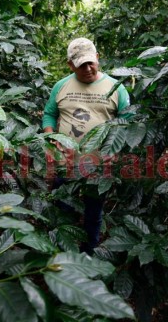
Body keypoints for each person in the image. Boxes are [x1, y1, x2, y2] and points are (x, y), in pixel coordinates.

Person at [42, 37, 130, 255]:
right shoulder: (61, 86)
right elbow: (49, 115)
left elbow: (129, 123)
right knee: (64, 208)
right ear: (70, 65)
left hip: (98, 166)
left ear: (98, 59)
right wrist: (51, 139)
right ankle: (63, 255)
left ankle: (89, 253)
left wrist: (116, 153)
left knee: (93, 212)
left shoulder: (116, 88)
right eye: (81, 64)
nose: (88, 68)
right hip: (65, 162)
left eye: (91, 62)